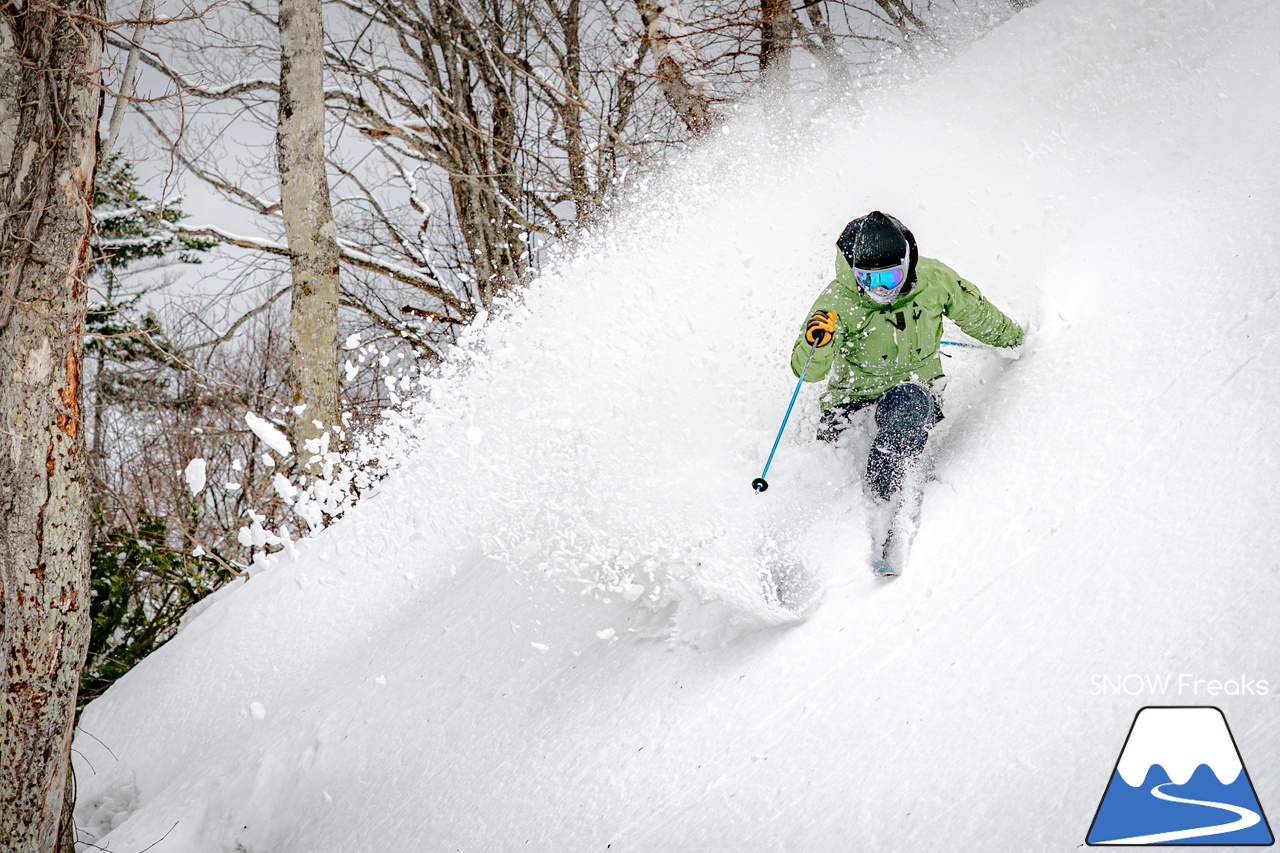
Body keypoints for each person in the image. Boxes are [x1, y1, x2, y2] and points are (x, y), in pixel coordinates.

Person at [793, 210, 1024, 504]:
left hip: (913, 386)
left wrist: (1016, 341)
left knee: (904, 414)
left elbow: (976, 313)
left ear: (907, 263)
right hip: (852, 396)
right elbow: (808, 373)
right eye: (868, 278)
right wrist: (819, 343)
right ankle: (840, 514)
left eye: (890, 277)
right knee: (830, 451)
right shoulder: (837, 302)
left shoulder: (934, 279)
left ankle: (882, 498)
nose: (879, 289)